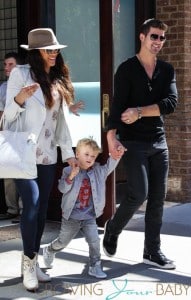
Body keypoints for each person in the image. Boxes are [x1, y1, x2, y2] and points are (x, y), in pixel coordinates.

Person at [4, 28, 79, 291]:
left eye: (56, 49)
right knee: (32, 205)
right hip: (24, 154)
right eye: (49, 50)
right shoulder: (20, 74)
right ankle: (28, 263)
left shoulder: (57, 80)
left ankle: (33, 261)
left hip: (47, 155)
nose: (54, 54)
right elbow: (8, 118)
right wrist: (19, 98)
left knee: (43, 210)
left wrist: (69, 155)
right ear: (36, 52)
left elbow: (60, 124)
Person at [103, 19, 178, 270]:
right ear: (142, 37)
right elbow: (116, 106)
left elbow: (171, 103)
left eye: (162, 38)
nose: (158, 42)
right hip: (133, 141)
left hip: (158, 141)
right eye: (154, 36)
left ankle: (152, 251)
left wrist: (139, 111)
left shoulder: (166, 70)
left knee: (158, 198)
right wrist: (111, 137)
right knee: (139, 193)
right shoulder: (126, 69)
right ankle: (113, 229)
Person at [43, 137, 125, 279]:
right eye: (86, 154)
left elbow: (110, 165)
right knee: (63, 242)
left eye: (93, 156)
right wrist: (71, 177)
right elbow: (62, 188)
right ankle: (50, 250)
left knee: (94, 241)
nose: (90, 158)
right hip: (71, 217)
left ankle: (95, 265)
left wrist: (117, 155)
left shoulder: (98, 171)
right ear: (77, 155)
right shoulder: (68, 170)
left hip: (89, 216)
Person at [0, 52, 22, 220]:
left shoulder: (27, 85)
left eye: (10, 64)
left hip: (23, 133)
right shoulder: (3, 88)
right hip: (6, 133)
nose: (6, 68)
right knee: (8, 173)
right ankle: (12, 209)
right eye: (5, 64)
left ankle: (24, 209)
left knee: (23, 172)